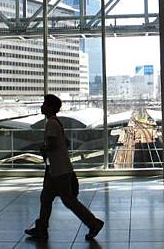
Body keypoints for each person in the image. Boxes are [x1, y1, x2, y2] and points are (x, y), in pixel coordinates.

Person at [25, 94, 104, 240]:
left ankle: (93, 223)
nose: (42, 106)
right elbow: (65, 142)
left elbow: (52, 144)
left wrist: (43, 148)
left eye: (44, 104)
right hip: (58, 169)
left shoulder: (51, 123)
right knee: (46, 198)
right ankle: (41, 227)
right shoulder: (57, 122)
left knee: (69, 201)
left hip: (59, 171)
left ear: (50, 107)